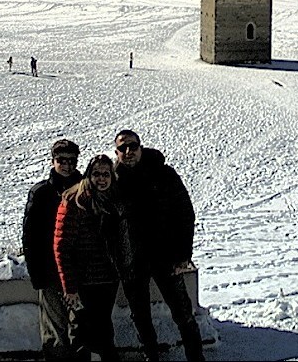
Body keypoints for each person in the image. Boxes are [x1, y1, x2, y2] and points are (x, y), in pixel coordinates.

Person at [113, 130, 205, 362]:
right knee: (141, 317)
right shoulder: (112, 180)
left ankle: (196, 357)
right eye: (122, 148)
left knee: (183, 313)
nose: (128, 152)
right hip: (131, 260)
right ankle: (152, 357)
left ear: (141, 148)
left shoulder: (163, 174)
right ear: (116, 153)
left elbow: (185, 213)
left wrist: (184, 254)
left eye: (132, 146)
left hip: (166, 257)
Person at [54, 154, 122, 362]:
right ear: (88, 175)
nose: (101, 179)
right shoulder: (74, 201)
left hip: (107, 278)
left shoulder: (114, 199)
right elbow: (61, 247)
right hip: (82, 280)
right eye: (96, 174)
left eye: (106, 174)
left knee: (103, 330)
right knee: (82, 333)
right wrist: (69, 287)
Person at [22, 138, 83, 360]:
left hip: (80, 272)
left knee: (82, 330)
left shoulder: (86, 189)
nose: (67, 166)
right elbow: (30, 238)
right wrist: (37, 275)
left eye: (71, 161)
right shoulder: (41, 193)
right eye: (61, 160)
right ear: (53, 161)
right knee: (55, 332)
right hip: (49, 272)